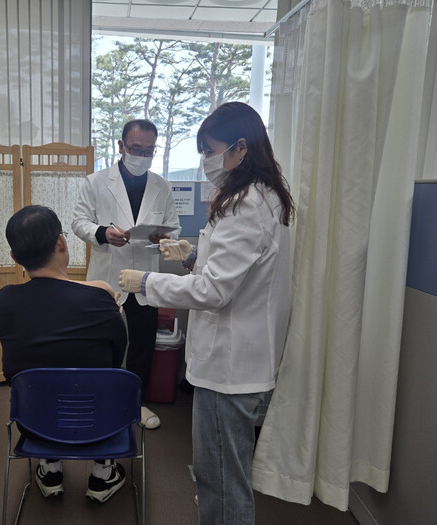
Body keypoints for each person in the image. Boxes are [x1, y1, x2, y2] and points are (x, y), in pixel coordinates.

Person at [118, 102, 295, 525]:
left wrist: (146, 282)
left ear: (241, 148)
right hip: (239, 357)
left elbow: (215, 290)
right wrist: (193, 255)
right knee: (220, 473)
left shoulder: (245, 204)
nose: (205, 160)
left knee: (220, 478)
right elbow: (237, 268)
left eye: (210, 150)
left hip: (229, 364)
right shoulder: (262, 196)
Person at [0, 205, 128, 503]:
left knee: (41, 378)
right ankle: (103, 475)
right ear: (61, 243)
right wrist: (107, 300)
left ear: (15, 257)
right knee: (105, 380)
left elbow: (12, 367)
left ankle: (50, 470)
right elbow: (115, 360)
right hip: (99, 422)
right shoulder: (101, 297)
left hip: (34, 422)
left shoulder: (5, 300)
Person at [72, 119, 180, 430]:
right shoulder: (95, 182)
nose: (142, 156)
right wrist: (103, 233)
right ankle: (101, 401)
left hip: (146, 279)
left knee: (143, 347)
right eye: (135, 149)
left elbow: (174, 228)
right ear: (121, 147)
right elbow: (79, 222)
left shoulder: (161, 186)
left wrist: (165, 238)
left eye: (148, 151)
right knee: (103, 344)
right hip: (108, 277)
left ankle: (135, 404)